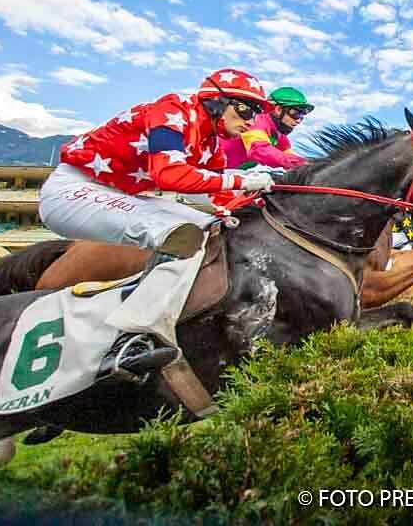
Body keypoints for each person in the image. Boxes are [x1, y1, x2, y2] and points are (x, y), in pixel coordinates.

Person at [39, 68, 276, 380]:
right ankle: (127, 340)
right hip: (74, 191)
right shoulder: (174, 109)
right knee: (182, 234)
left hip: (120, 194)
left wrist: (263, 201)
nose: (251, 121)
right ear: (216, 102)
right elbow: (170, 174)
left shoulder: (210, 145)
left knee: (212, 228)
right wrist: (241, 179)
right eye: (246, 109)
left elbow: (217, 200)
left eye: (257, 113)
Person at [220, 86, 312, 170]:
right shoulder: (257, 121)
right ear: (278, 109)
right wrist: (304, 163)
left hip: (227, 173)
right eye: (296, 113)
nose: (299, 120)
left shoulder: (280, 135)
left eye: (302, 115)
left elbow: (290, 158)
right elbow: (259, 151)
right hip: (211, 172)